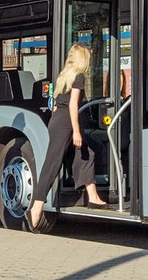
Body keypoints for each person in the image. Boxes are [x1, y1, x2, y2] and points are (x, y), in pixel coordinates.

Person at [28, 45, 107, 230]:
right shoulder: (78, 77)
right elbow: (73, 106)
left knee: (86, 153)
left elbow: (55, 104)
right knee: (52, 163)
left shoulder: (64, 75)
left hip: (57, 120)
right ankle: (37, 205)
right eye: (87, 58)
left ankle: (93, 196)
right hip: (66, 122)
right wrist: (76, 131)